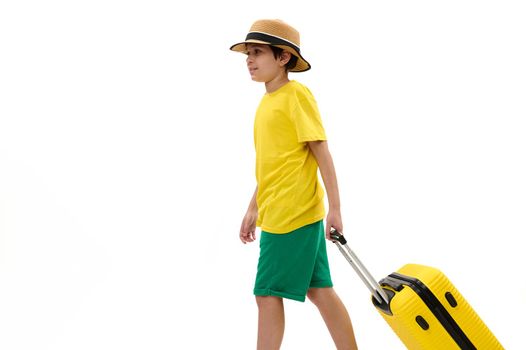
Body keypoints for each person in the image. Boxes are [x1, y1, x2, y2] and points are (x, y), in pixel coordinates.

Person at [231, 19, 359, 350]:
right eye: (247, 53)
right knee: (319, 290)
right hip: (279, 210)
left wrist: (337, 208)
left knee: (267, 292)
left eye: (257, 52)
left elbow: (321, 152)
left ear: (284, 58)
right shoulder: (266, 103)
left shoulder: (296, 96)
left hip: (292, 213)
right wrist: (252, 207)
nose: (249, 59)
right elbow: (274, 165)